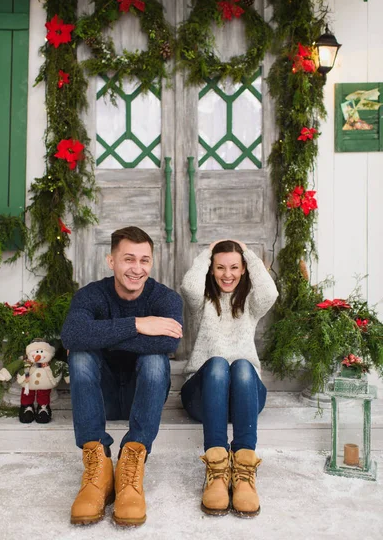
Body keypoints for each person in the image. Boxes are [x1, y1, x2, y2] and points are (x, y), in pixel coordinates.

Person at [61, 226, 183, 527]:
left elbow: (168, 343)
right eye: (129, 259)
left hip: (141, 401)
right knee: (79, 354)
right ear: (111, 260)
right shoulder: (91, 296)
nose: (137, 268)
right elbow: (72, 335)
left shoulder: (166, 300)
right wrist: (139, 324)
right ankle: (98, 465)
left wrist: (100, 335)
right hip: (99, 399)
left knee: (156, 359)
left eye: (144, 260)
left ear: (151, 263)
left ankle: (132, 459)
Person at [180, 239, 278, 518]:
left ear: (244, 268)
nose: (227, 274)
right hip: (202, 396)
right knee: (219, 364)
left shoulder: (251, 303)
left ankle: (244, 470)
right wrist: (206, 253)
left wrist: (247, 252)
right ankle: (217, 468)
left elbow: (270, 291)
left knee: (244, 366)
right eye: (220, 267)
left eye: (235, 267)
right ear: (211, 269)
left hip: (244, 398)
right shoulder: (201, 302)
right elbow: (188, 286)